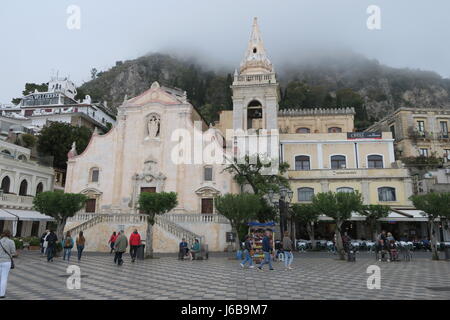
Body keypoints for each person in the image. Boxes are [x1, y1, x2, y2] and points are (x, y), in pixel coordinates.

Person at [0, 230, 16, 299]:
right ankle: (1, 294)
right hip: (6, 261)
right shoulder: (11, 241)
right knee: (4, 278)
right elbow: (13, 252)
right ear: (9, 234)